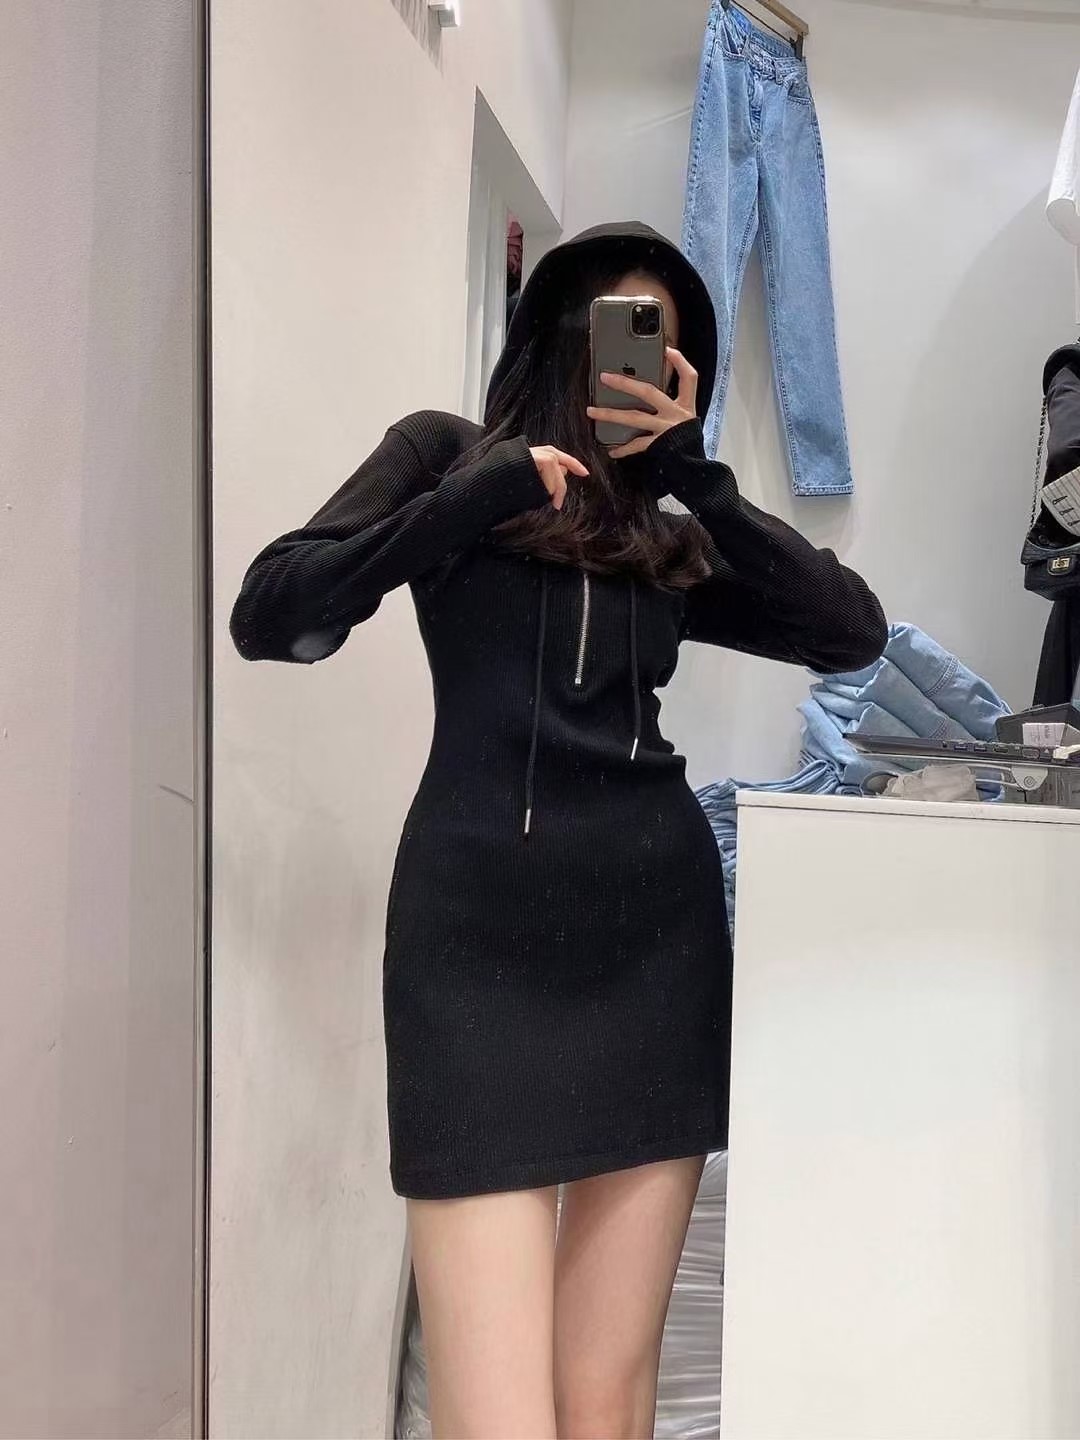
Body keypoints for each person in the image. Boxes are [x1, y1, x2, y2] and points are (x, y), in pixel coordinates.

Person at [229, 221, 887, 1439]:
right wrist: (462, 506)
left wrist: (698, 475)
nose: (629, 367)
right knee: (497, 1418)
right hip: (473, 951)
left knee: (607, 1402)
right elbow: (274, 615)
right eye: (613, 333)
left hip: (656, 950)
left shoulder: (666, 531)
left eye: (664, 349)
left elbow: (850, 632)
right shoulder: (443, 458)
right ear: (551, 337)